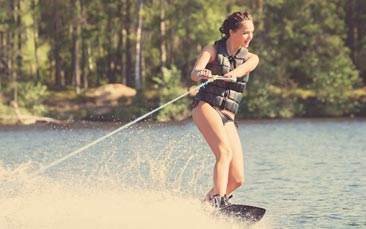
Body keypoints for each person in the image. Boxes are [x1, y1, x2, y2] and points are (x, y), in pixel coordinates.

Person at [190, 11, 259, 208]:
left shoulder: (252, 58)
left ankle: (205, 205)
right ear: (232, 32)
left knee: (237, 178)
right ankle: (220, 202)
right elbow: (195, 73)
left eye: (252, 32)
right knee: (224, 152)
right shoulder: (212, 50)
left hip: (227, 117)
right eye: (245, 32)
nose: (250, 37)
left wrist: (232, 74)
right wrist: (201, 72)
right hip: (205, 106)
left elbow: (244, 69)